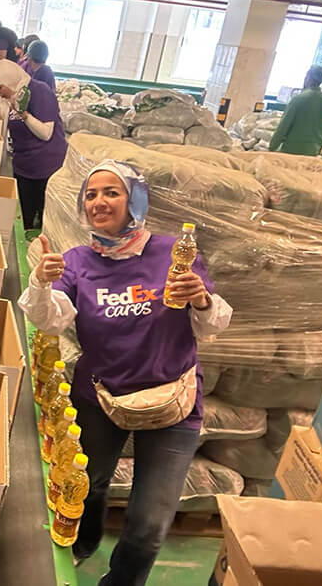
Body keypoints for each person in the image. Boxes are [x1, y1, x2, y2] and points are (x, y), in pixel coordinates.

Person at [19, 160, 232, 586]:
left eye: (111, 192)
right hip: (101, 396)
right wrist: (41, 282)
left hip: (173, 402)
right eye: (91, 194)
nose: (99, 202)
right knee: (89, 482)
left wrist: (202, 300)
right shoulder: (77, 261)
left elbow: (212, 326)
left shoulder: (175, 253)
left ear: (134, 199)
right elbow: (50, 320)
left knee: (150, 525)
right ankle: (84, 542)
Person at [0, 58, 66, 229]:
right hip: (24, 165)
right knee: (25, 216)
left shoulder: (40, 91)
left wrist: (24, 114)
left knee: (44, 217)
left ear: (10, 81)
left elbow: (46, 133)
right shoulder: (13, 96)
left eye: (0, 86)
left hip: (45, 167)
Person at [269, 65, 322, 156]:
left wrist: (272, 147)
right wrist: (318, 150)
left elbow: (284, 126)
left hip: (291, 150)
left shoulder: (299, 99)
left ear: (308, 78)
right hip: (312, 151)